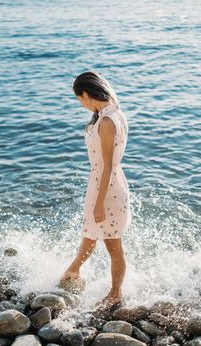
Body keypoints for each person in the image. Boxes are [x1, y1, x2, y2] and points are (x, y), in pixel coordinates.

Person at [59, 70, 132, 312]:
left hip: (108, 187)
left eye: (80, 100)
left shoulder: (109, 121)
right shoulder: (109, 113)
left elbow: (109, 165)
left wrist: (99, 202)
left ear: (88, 94)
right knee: (90, 233)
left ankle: (115, 294)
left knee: (113, 244)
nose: (82, 105)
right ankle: (72, 272)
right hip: (102, 183)